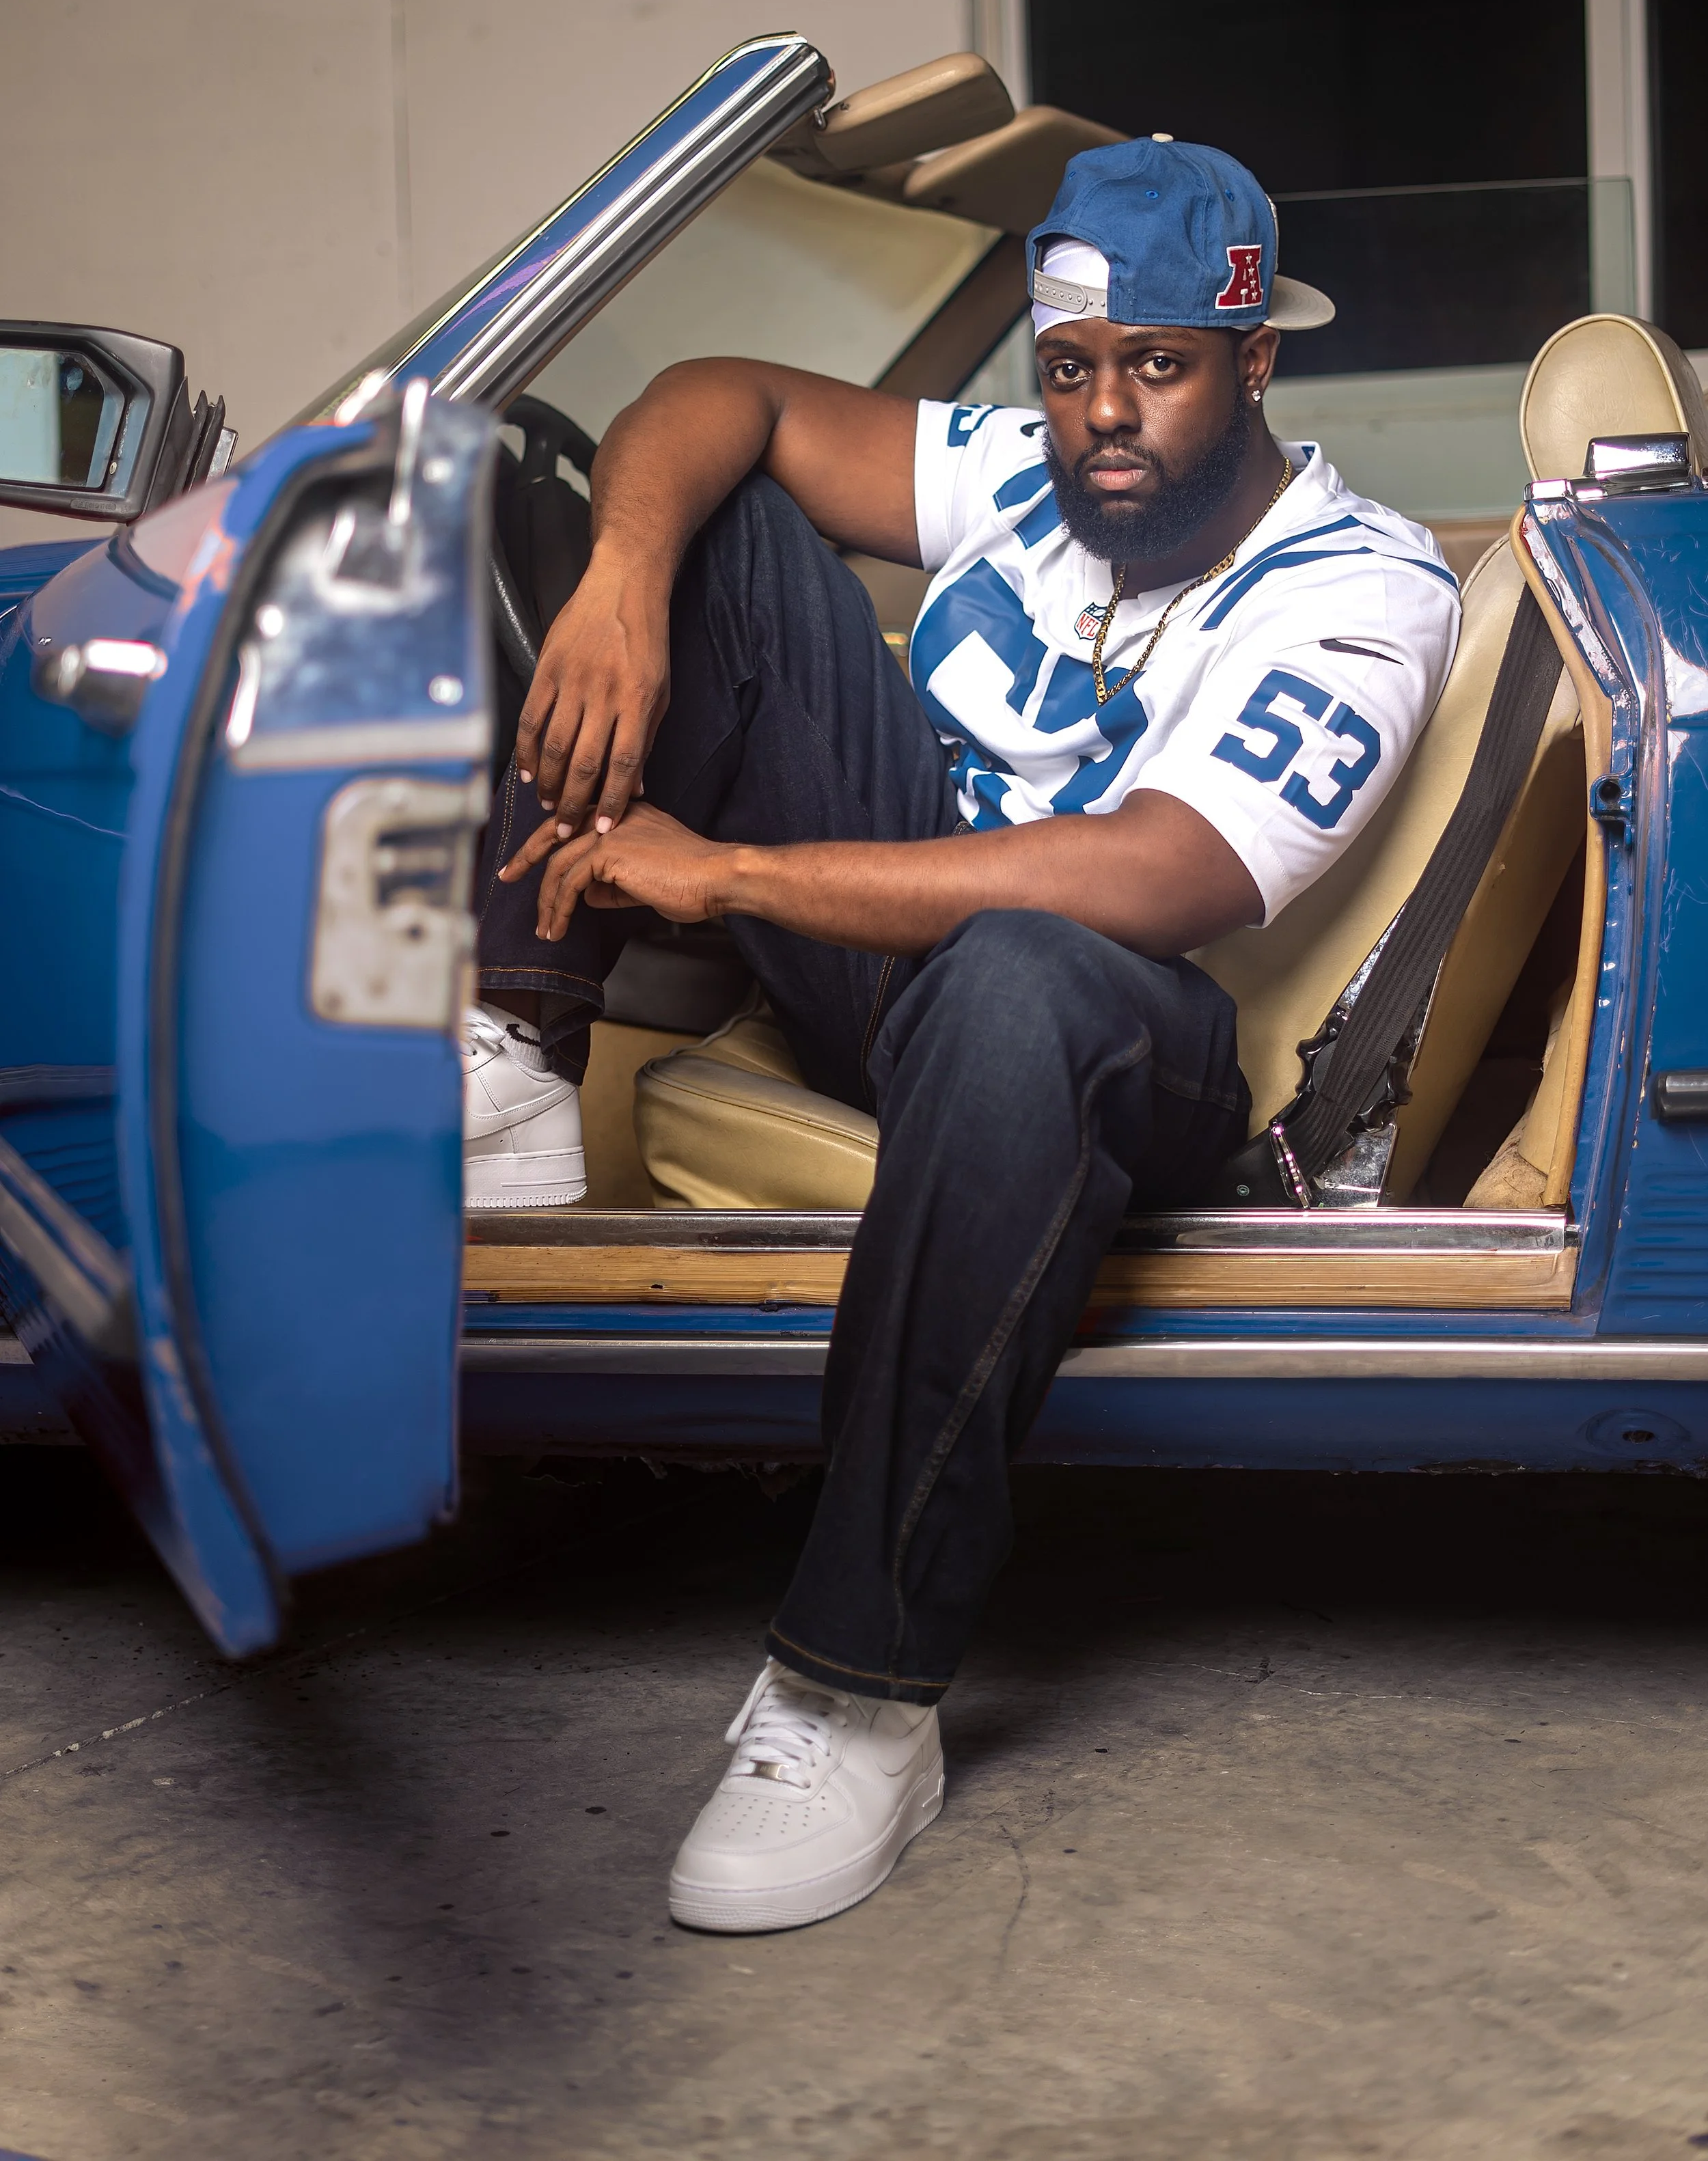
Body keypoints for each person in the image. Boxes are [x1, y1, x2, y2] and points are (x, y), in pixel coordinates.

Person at [462, 137, 1461, 1933]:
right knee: (710, 520)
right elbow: (724, 394)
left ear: (1253, 362)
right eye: (1070, 367)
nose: (1104, 416)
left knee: (1023, 962)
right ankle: (511, 1049)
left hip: (1129, 1044)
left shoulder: (1362, 585)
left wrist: (732, 874)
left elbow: (1155, 875)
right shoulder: (1019, 468)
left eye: (1156, 366)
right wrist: (620, 581)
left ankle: (854, 1694)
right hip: (905, 979)